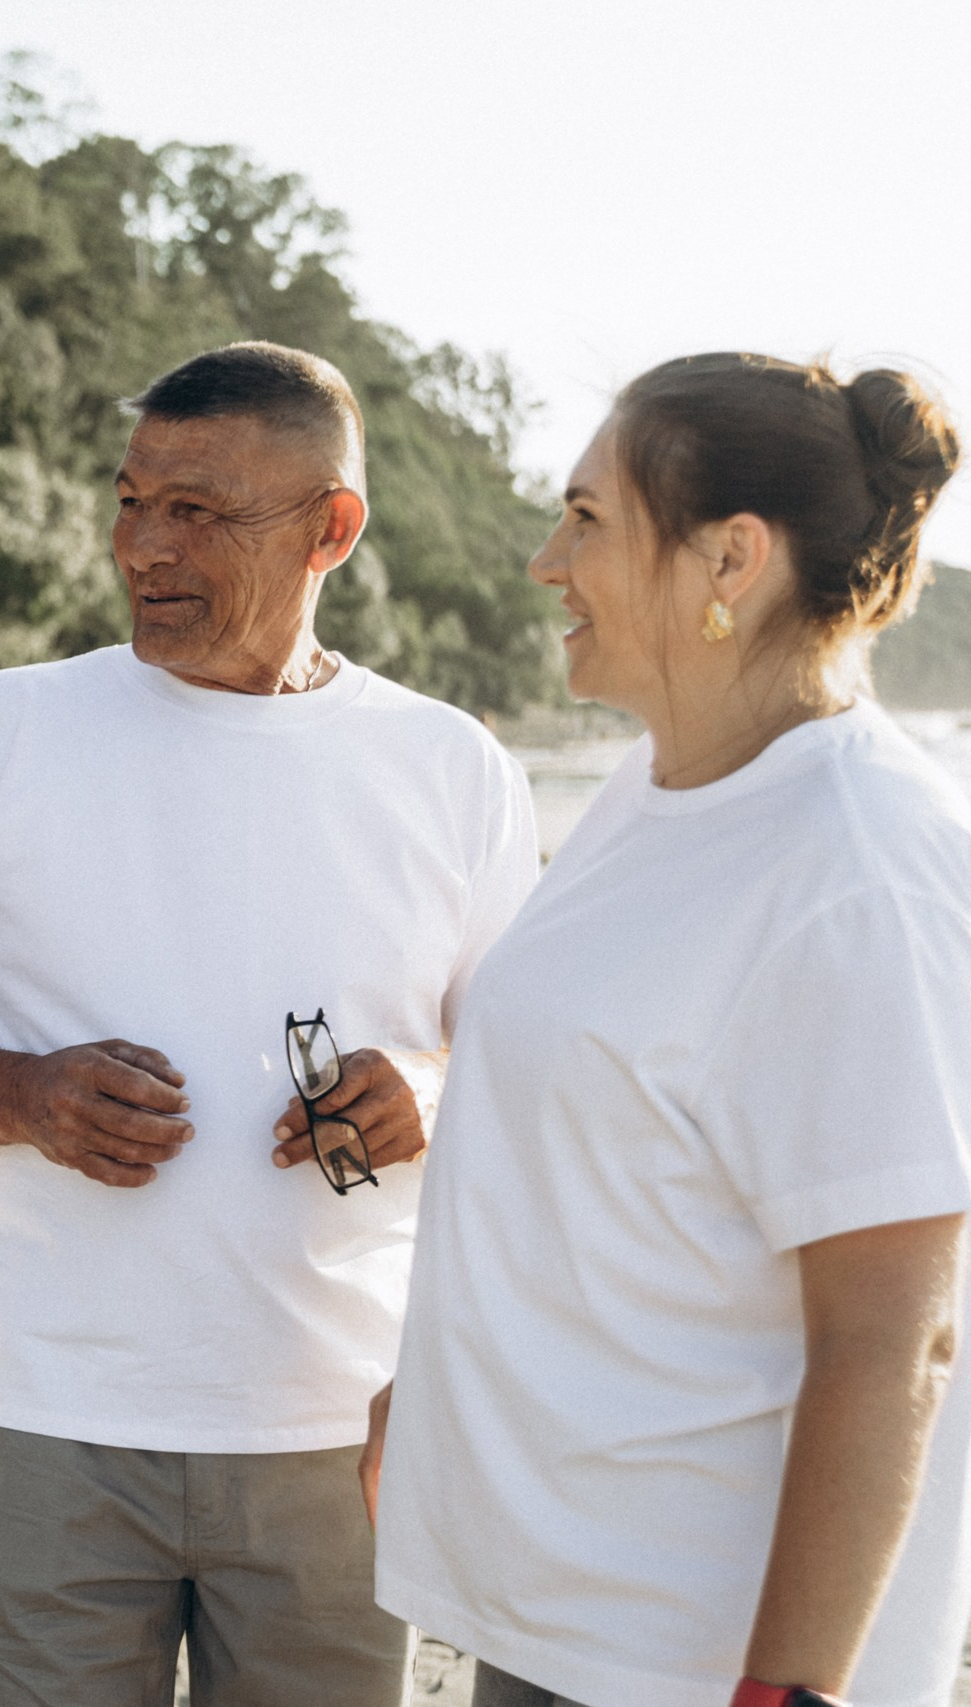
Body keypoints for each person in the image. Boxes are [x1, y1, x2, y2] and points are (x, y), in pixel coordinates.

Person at [0, 340, 540, 1705]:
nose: (144, 546)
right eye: (130, 500)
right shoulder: (0, 731)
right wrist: (25, 1094)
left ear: (333, 527)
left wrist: (426, 1094)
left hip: (340, 1431)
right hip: (44, 1414)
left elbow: (521, 1082)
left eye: (200, 512)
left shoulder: (452, 767)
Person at [370, 355, 971, 1707]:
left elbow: (895, 1339)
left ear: (730, 560)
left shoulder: (861, 870)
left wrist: (789, 1695)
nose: (544, 562)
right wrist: (443, 1394)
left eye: (586, 520)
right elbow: (599, 1137)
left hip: (698, 1665)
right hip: (563, 1608)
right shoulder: (664, 789)